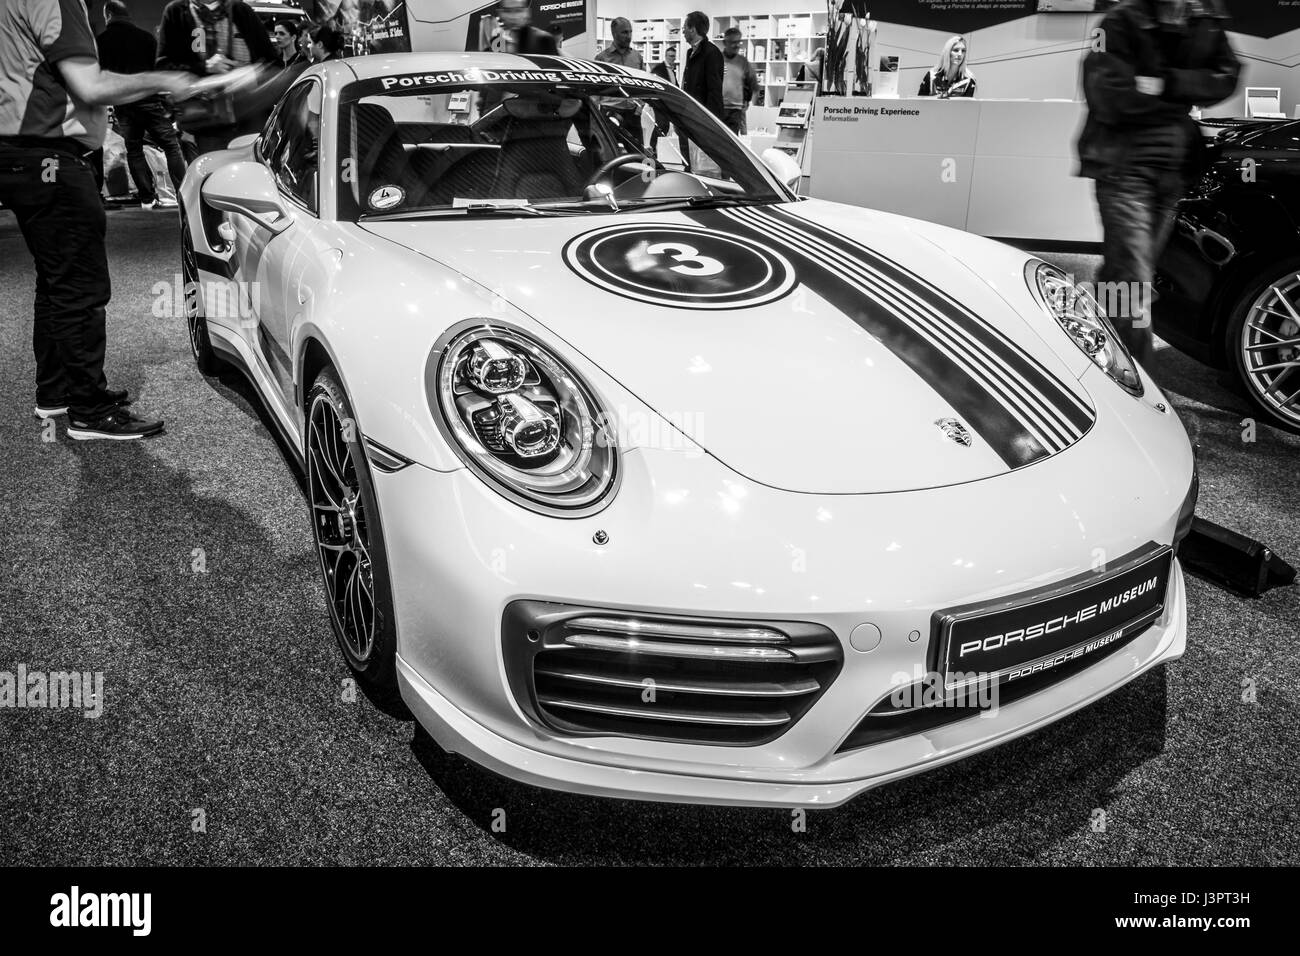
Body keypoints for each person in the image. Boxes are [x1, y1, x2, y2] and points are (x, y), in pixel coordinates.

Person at [1, 0, 196, 438]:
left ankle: (57, 396)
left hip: (20, 155)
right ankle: (88, 410)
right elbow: (89, 86)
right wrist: (165, 79)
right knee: (80, 288)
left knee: (55, 283)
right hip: (51, 155)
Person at [1078, 0, 1239, 365]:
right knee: (1133, 279)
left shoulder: (1206, 22)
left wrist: (1163, 83)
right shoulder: (1119, 22)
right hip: (1123, 170)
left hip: (1173, 174)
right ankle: (1137, 379)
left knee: (1127, 272)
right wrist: (1183, 95)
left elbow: (1226, 77)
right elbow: (1108, 96)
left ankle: (1095, 331)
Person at [96, 0, 186, 209]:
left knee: (134, 149)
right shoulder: (146, 38)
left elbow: (99, 74)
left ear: (108, 14)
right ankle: (182, 195)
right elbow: (158, 70)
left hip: (124, 104)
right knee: (171, 146)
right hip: (150, 101)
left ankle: (147, 199)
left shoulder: (101, 41)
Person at [155, 0, 278, 153]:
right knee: (213, 169)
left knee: (253, 167)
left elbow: (271, 61)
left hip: (250, 116)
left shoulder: (240, 10)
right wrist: (205, 67)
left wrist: (251, 74)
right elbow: (164, 66)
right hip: (207, 121)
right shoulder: (177, 12)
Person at [596, 18, 646, 136]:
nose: (629, 36)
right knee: (610, 153)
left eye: (630, 32)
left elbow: (644, 84)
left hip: (633, 115)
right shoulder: (602, 59)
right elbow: (595, 90)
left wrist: (640, 106)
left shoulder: (637, 57)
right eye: (624, 32)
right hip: (610, 113)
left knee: (638, 152)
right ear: (614, 33)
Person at [682, 10, 723, 120]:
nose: (683, 31)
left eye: (684, 27)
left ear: (693, 29)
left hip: (702, 118)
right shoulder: (690, 53)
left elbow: (714, 92)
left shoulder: (712, 53)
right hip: (690, 114)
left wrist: (710, 122)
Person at [720, 26, 757, 134]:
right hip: (719, 106)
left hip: (736, 108)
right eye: (732, 42)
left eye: (738, 42)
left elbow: (751, 82)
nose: (736, 45)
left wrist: (747, 100)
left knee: (732, 140)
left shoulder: (743, 61)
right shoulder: (717, 59)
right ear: (725, 42)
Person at [493, 0, 558, 55]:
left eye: (518, 10)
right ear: (499, 13)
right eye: (507, 11)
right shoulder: (496, 40)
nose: (513, 17)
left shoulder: (544, 40)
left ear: (527, 12)